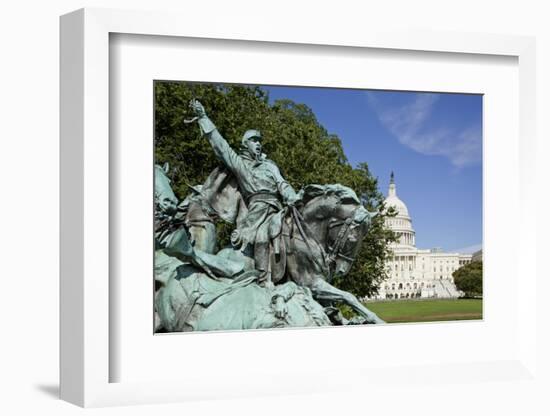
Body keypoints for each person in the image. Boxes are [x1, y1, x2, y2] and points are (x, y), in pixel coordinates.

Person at [189, 99, 300, 286]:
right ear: (245, 144)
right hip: (257, 212)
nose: (258, 144)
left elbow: (283, 183)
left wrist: (294, 198)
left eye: (259, 141)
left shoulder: (270, 165)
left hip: (280, 208)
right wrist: (203, 117)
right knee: (262, 237)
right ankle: (265, 280)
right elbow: (221, 147)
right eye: (253, 140)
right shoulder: (242, 165)